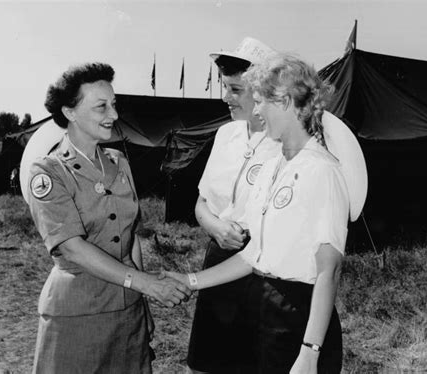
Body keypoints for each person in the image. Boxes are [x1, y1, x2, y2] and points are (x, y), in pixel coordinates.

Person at [167, 53, 368, 374]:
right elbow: (254, 256)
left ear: (286, 102)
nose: (256, 111)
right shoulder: (273, 167)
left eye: (260, 102)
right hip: (266, 310)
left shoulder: (323, 171)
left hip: (302, 315)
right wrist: (189, 280)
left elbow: (328, 272)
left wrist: (310, 353)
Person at [26, 62, 191, 373]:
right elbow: (72, 247)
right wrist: (145, 283)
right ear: (70, 112)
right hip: (77, 314)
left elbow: (131, 238)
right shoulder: (48, 172)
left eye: (113, 105)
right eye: (101, 106)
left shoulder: (119, 162)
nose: (114, 115)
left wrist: (141, 299)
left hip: (127, 314)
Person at [187, 37, 281, 373]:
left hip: (264, 272)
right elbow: (201, 202)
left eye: (235, 89)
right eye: (224, 87)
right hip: (219, 261)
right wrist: (214, 226)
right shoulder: (225, 136)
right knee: (209, 363)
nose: (225, 98)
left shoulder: (284, 141)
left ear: (262, 91)